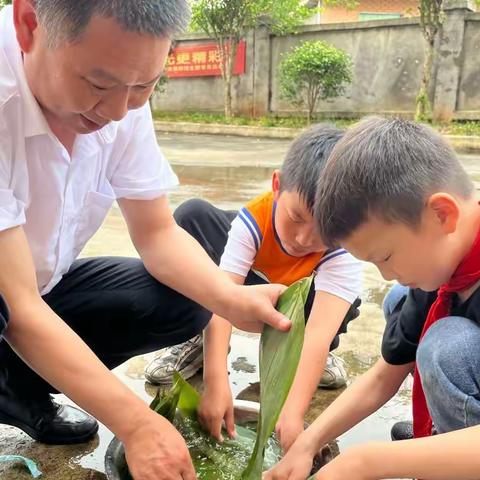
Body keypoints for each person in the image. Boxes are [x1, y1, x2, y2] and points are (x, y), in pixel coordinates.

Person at [0, 2, 290, 479]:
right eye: (98, 85)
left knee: (186, 298)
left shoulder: (120, 86)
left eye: (144, 86)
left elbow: (156, 233)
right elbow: (17, 305)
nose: (118, 111)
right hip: (10, 297)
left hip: (38, 290)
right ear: (30, 25)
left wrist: (231, 299)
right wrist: (136, 425)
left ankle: (15, 384)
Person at [264, 116, 480, 480]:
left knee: (445, 346)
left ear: (442, 214)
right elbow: (384, 376)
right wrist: (308, 441)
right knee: (399, 299)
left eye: (385, 257)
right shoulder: (445, 267)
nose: (384, 273)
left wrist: (367, 462)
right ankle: (444, 440)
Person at [145, 125, 363, 453]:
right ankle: (196, 342)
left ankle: (301, 360)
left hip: (298, 307)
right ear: (277, 185)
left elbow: (318, 334)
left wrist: (292, 414)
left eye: (325, 232)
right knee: (192, 219)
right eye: (297, 217)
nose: (305, 240)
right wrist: (217, 383)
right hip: (249, 290)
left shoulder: (342, 249)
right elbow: (222, 299)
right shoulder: (254, 220)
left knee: (345, 299)